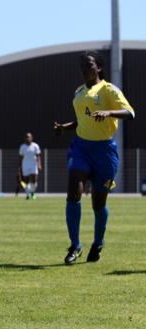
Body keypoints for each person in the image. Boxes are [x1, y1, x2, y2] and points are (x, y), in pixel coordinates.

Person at [54, 50, 135, 264]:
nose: (84, 69)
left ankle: (98, 243)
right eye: (81, 65)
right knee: (74, 193)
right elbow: (83, 121)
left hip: (105, 151)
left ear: (98, 67)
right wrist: (65, 127)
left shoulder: (109, 89)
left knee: (98, 203)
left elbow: (130, 113)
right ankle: (75, 245)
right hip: (80, 148)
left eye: (88, 65)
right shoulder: (78, 93)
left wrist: (109, 112)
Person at [18, 133, 42, 200]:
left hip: (33, 165)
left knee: (34, 180)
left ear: (32, 138)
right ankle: (27, 195)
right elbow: (20, 157)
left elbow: (38, 156)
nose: (27, 138)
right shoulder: (22, 147)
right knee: (26, 181)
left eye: (29, 137)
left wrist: (39, 164)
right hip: (25, 165)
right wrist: (19, 165)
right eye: (26, 137)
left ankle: (32, 192)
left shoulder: (35, 146)